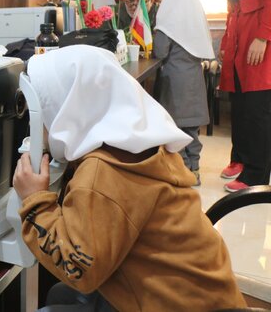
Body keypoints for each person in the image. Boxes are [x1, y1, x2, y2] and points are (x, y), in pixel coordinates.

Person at [13, 45, 245, 311]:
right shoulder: (136, 141)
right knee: (59, 294)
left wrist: (34, 201)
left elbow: (78, 268)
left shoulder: (103, 172)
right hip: (203, 295)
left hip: (172, 304)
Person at [206, 0, 271, 192]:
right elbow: (233, 6)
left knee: (257, 110)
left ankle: (257, 174)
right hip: (238, 43)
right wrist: (225, 43)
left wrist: (263, 37)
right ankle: (241, 159)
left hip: (259, 44)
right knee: (241, 106)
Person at [152, 0, 215, 186]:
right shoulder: (192, 11)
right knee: (191, 129)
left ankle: (185, 171)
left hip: (175, 81)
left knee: (177, 129)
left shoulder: (169, 16)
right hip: (194, 79)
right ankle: (194, 168)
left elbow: (160, 51)